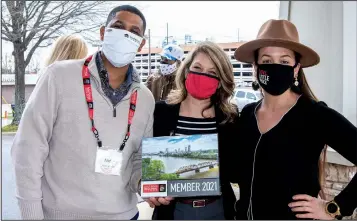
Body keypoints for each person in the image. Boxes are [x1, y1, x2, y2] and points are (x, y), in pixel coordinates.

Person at [11, 5, 154, 220]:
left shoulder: (145, 98)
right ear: (103, 32)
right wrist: (31, 213)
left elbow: (139, 159)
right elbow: (27, 150)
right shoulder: (58, 76)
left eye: (134, 32)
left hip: (124, 215)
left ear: (141, 44)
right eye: (118, 26)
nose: (126, 34)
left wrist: (147, 185)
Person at [232, 19, 357, 220]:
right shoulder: (246, 115)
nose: (275, 67)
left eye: (284, 61)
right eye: (266, 61)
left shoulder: (316, 115)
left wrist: (335, 208)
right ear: (255, 67)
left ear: (296, 68)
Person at [146, 41, 239, 220]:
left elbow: (236, 171)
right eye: (198, 67)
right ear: (187, 70)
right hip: (172, 211)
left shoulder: (230, 119)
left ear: (220, 82)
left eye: (213, 72)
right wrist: (149, 188)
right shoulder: (161, 112)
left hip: (218, 210)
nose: (203, 75)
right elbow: (146, 162)